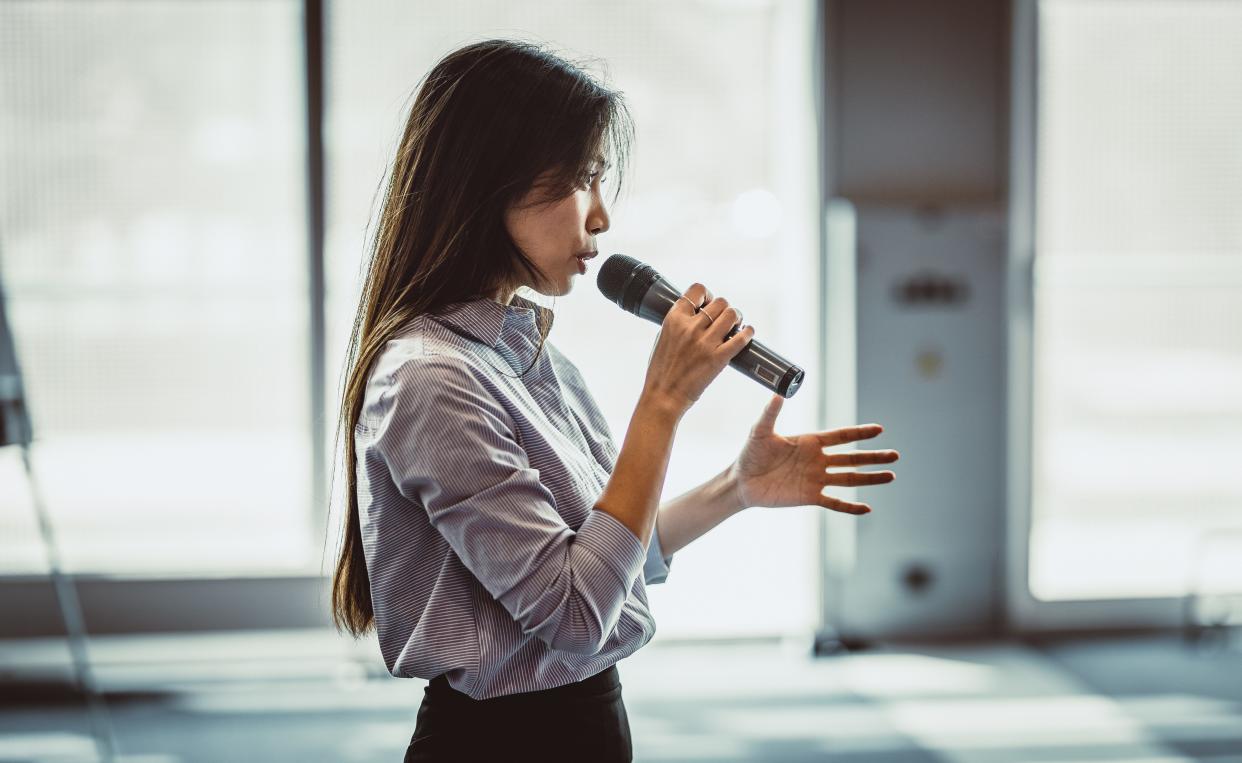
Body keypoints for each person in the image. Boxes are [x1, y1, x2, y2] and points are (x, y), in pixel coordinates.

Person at [329, 39, 899, 763]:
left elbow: (604, 560)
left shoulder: (524, 353)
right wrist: (661, 404)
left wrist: (737, 487)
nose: (600, 217)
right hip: (503, 742)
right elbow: (572, 613)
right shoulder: (430, 378)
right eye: (581, 179)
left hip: (586, 719)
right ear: (488, 182)